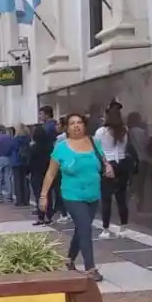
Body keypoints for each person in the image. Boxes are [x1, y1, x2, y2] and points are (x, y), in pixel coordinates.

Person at [39, 113, 112, 282]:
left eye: (79, 122)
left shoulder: (95, 142)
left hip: (93, 193)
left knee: (81, 229)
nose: (76, 126)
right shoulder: (61, 147)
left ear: (84, 125)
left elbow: (102, 160)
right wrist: (43, 196)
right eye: (72, 123)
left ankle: (69, 259)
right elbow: (50, 174)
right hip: (72, 194)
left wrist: (108, 166)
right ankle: (90, 268)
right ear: (67, 127)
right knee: (85, 228)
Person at [95, 105, 131, 239]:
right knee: (121, 197)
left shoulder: (101, 132)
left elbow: (98, 150)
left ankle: (106, 229)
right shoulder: (124, 130)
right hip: (122, 163)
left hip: (108, 164)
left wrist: (105, 165)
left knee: (106, 199)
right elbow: (125, 147)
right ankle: (123, 227)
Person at [0, 125, 16, 203]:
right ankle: (9, 196)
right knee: (8, 177)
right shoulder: (9, 137)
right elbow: (12, 147)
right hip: (7, 157)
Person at [11, 124, 32, 206]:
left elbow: (11, 149)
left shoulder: (15, 140)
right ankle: (26, 200)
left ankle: (19, 200)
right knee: (25, 181)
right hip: (26, 162)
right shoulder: (28, 139)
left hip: (16, 162)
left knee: (17, 182)